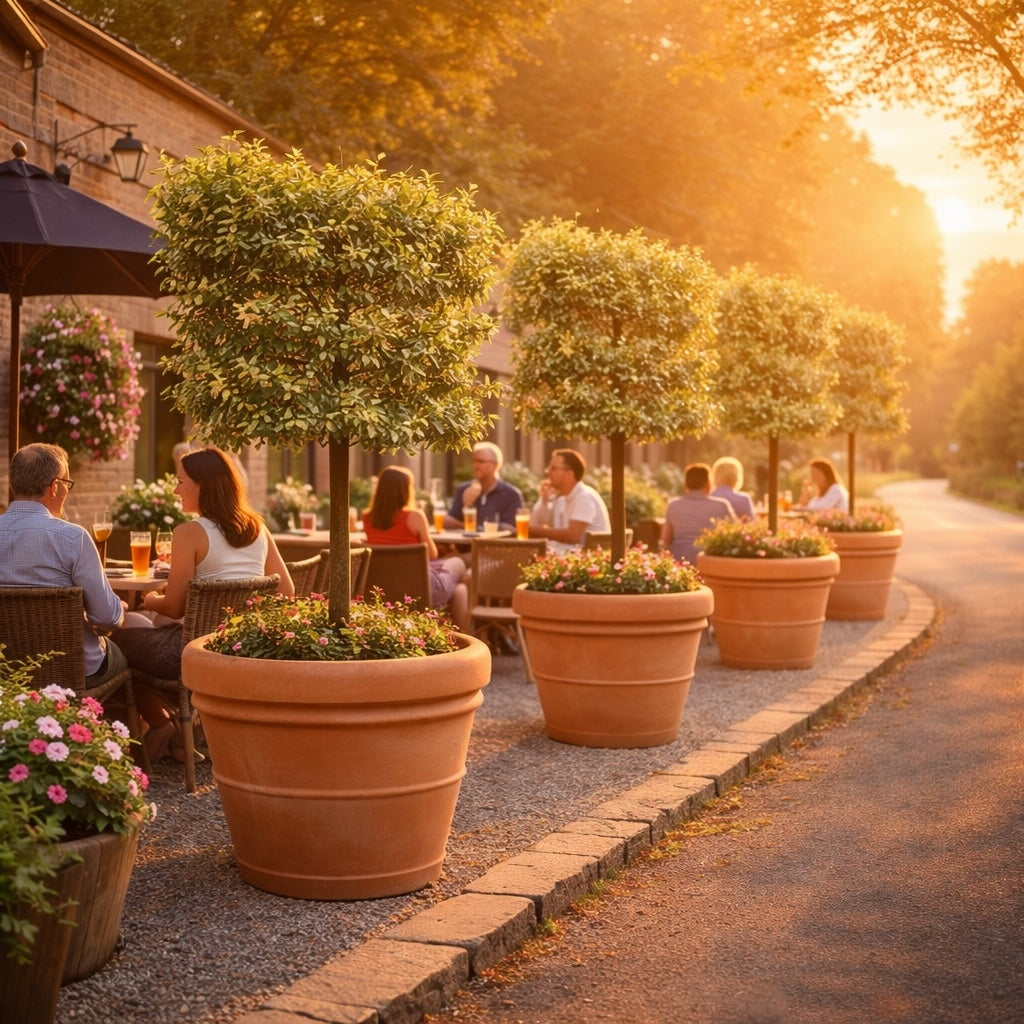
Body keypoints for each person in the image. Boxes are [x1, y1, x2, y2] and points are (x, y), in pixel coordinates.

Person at [113, 448, 294, 761]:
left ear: (203, 485)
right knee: (141, 627)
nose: (175, 489)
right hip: (240, 648)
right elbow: (287, 590)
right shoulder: (258, 528)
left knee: (114, 644)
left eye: (181, 482)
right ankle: (181, 737)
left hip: (189, 652)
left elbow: (174, 607)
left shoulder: (190, 533)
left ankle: (160, 724)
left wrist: (150, 599)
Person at [0, 443, 128, 685]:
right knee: (127, 650)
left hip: (6, 672)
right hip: (74, 671)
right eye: (67, 484)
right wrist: (119, 608)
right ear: (54, 487)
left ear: (12, 485)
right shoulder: (72, 538)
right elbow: (107, 618)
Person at [363, 465, 468, 630]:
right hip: (419, 589)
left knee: (460, 590)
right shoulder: (415, 516)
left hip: (383, 588)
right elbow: (432, 554)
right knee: (459, 565)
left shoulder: (367, 518)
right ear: (405, 491)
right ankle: (466, 638)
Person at [529, 448, 610, 553]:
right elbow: (539, 522)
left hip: (587, 564)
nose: (547, 471)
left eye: (553, 468)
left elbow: (572, 536)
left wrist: (532, 531)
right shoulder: (562, 500)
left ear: (569, 474)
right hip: (567, 558)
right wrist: (544, 500)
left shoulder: (584, 497)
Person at [661, 462, 737, 566]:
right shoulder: (722, 505)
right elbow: (734, 534)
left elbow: (666, 540)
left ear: (686, 484)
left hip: (680, 563)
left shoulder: (673, 505)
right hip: (710, 562)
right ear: (708, 483)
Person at [444, 441, 524, 532]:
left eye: (480, 461)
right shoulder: (463, 489)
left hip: (495, 545)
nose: (476, 465)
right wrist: (466, 506)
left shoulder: (511, 494)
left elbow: (511, 527)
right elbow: (447, 521)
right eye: (474, 461)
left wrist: (476, 527)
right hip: (465, 545)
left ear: (495, 465)